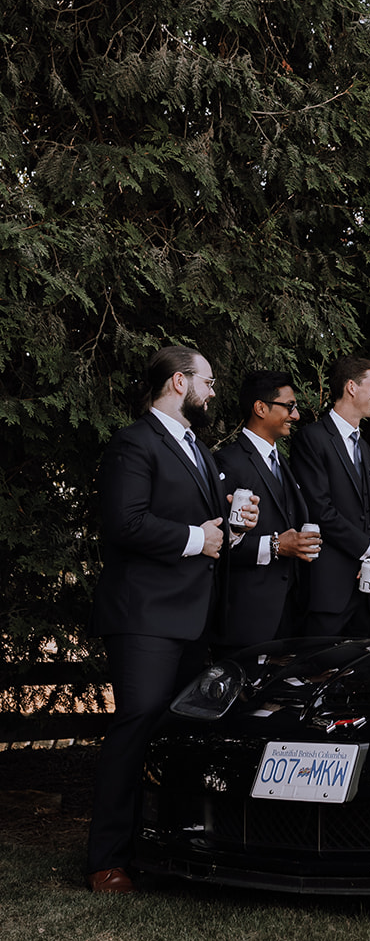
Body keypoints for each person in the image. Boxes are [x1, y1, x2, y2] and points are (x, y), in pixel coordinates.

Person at [86, 345, 243, 892]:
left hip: (192, 615)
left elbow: (203, 525)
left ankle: (169, 852)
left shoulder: (196, 445)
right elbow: (125, 524)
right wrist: (199, 537)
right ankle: (107, 859)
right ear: (179, 382)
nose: (213, 390)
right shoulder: (135, 442)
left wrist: (230, 527)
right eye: (208, 380)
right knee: (135, 729)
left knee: (179, 738)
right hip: (145, 614)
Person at [214, 369, 319, 650]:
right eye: (290, 406)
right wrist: (274, 546)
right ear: (261, 408)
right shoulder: (228, 462)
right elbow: (219, 543)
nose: (295, 416)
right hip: (246, 616)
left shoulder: (282, 462)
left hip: (290, 614)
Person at [290, 356, 370, 635]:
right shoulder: (312, 438)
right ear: (351, 387)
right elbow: (320, 509)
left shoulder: (364, 447)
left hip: (366, 588)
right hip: (328, 590)